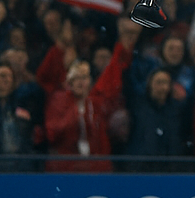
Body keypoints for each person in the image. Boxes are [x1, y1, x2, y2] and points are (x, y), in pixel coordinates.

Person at [44, 21, 137, 173]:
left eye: (85, 78)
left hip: (95, 168)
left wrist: (122, 48)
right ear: (70, 82)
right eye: (77, 78)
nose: (81, 82)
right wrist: (75, 113)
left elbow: (111, 77)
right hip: (67, 169)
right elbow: (53, 133)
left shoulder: (95, 102)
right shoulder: (58, 100)